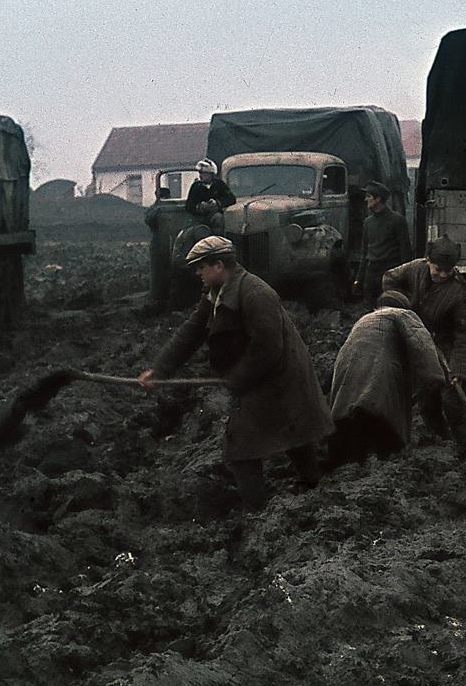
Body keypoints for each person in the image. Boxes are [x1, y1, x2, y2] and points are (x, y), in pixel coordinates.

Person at [138, 236, 333, 511]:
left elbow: (268, 347)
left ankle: (258, 513)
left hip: (279, 374)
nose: (197, 274)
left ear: (218, 265)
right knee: (292, 429)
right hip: (264, 376)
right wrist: (160, 369)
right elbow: (192, 331)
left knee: (242, 447)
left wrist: (237, 379)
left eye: (200, 267)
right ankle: (311, 483)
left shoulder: (255, 293)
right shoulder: (216, 293)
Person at [382, 236, 466, 453]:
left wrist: (459, 370)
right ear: (428, 260)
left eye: (449, 270)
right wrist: (404, 303)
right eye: (438, 269)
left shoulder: (459, 293)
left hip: (447, 344)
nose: (443, 275)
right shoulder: (414, 269)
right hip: (420, 339)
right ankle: (439, 439)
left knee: (452, 399)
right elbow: (389, 279)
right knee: (426, 397)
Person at [327, 289, 447, 467]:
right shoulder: (403, 314)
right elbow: (423, 345)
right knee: (380, 425)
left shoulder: (364, 320)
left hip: (346, 377)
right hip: (377, 380)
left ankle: (340, 466)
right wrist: (436, 376)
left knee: (349, 429)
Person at [353, 182, 412, 305]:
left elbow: (405, 252)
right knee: (369, 310)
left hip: (389, 274)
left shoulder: (397, 221)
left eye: (368, 196)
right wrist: (359, 279)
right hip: (371, 274)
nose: (365, 199)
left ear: (378, 198)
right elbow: (364, 254)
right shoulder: (367, 223)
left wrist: (405, 279)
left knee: (388, 308)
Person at [184, 158, 236, 235]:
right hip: (199, 219)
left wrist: (217, 203)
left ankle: (218, 240)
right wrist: (200, 207)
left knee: (218, 218)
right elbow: (189, 206)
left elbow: (231, 199)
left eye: (204, 173)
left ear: (211, 174)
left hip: (215, 215)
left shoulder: (219, 184)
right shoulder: (196, 186)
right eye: (200, 173)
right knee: (199, 231)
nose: (201, 176)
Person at [142, 185, 173, 314]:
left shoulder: (172, 207)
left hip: (171, 241)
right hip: (159, 242)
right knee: (158, 272)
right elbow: (148, 219)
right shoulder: (155, 209)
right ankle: (158, 298)